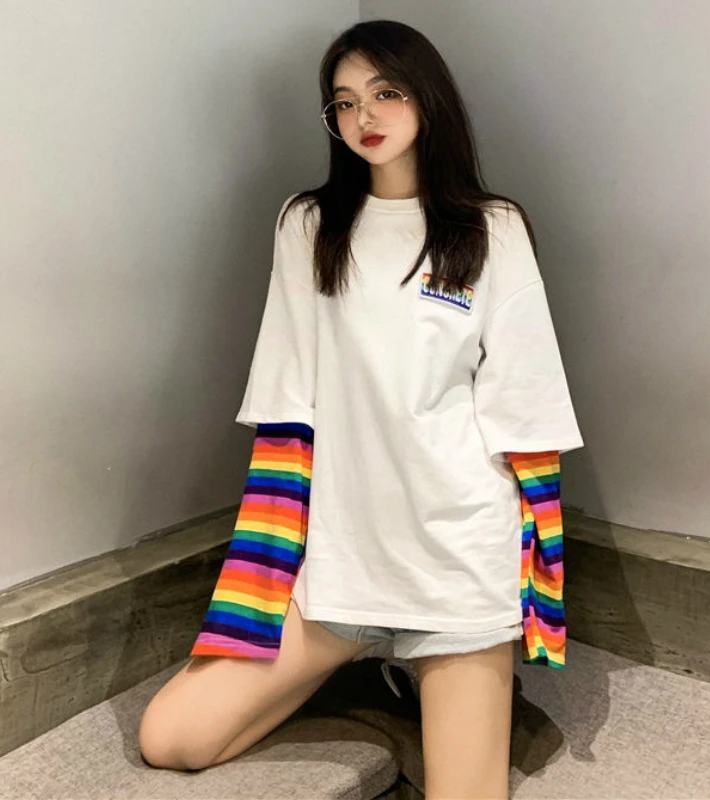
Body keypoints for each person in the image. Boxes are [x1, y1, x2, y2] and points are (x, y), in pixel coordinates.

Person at [138, 19, 584, 799]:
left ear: (428, 99)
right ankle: (375, 682)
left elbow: (526, 410)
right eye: (343, 102)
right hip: (342, 562)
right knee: (171, 739)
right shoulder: (308, 226)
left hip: (456, 560)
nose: (363, 116)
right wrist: (271, 566)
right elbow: (289, 406)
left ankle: (431, 683)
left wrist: (537, 592)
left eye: (385, 92)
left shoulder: (493, 229)